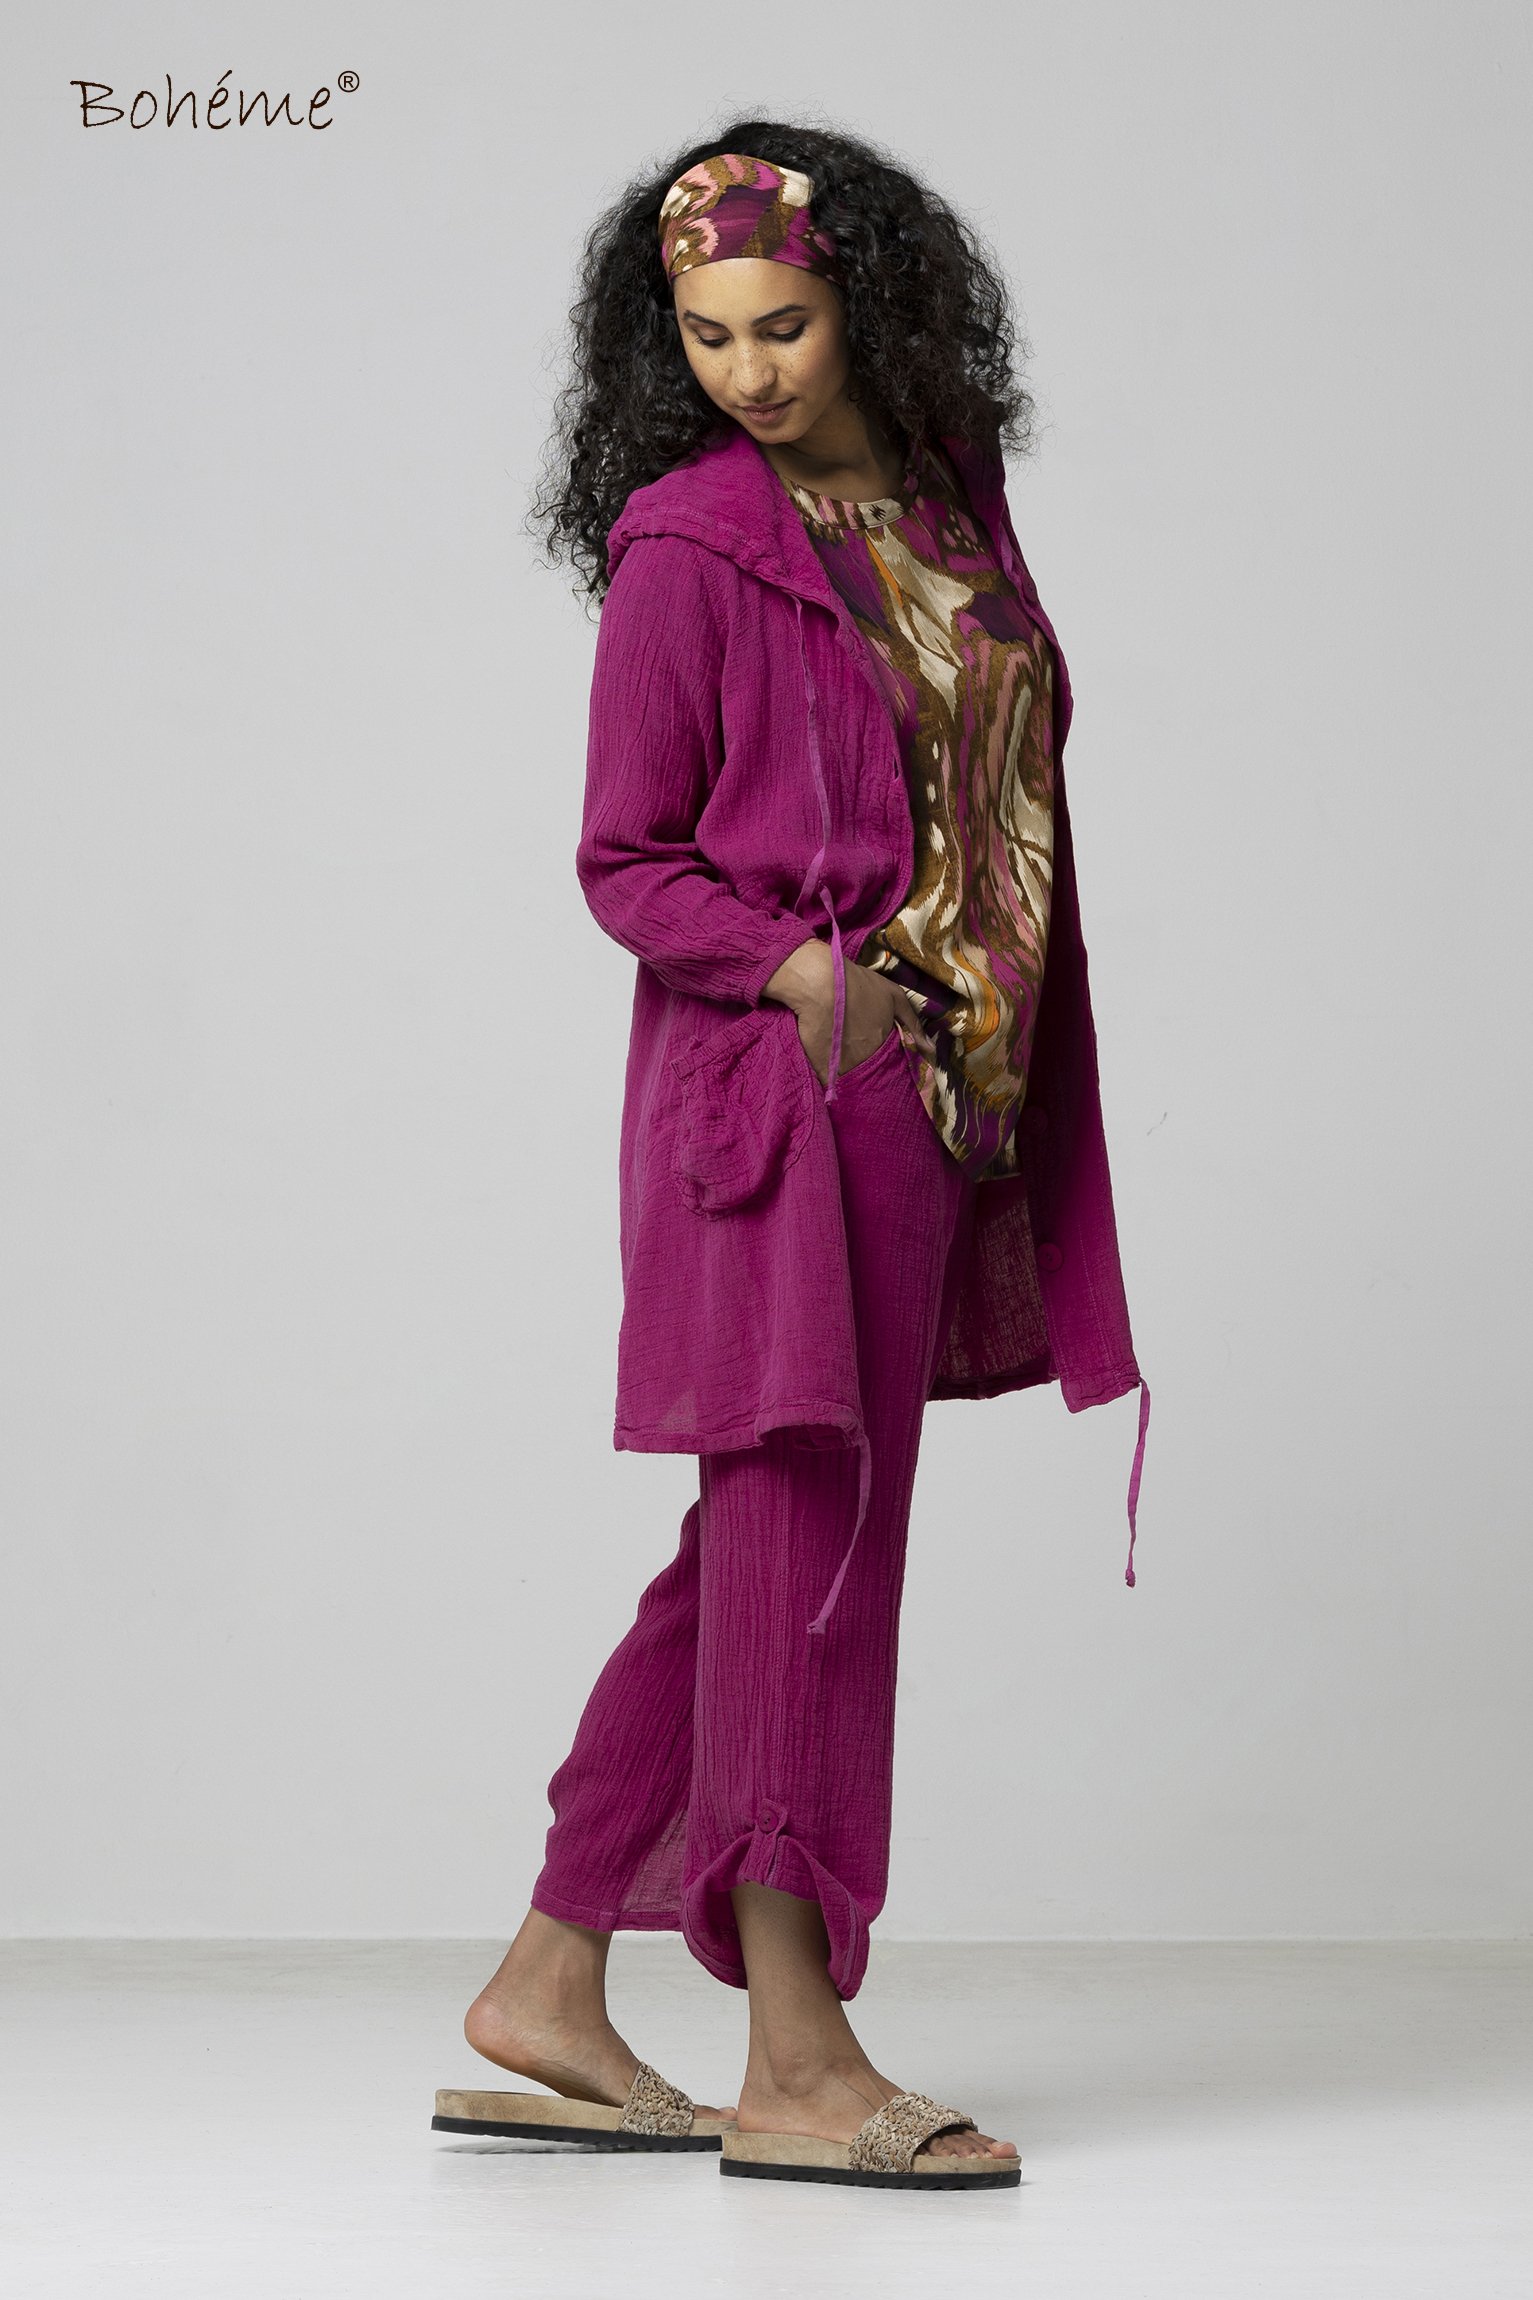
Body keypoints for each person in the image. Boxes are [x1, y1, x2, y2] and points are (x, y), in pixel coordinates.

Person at [434, 124, 1146, 2193]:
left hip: (936, 1096)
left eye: (784, 324)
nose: (745, 370)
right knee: (813, 1549)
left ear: (869, 308)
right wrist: (799, 971)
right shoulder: (688, 543)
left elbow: (998, 775)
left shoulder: (944, 495)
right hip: (782, 1102)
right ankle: (797, 2054)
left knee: (765, 1537)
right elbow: (625, 859)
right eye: (705, 333)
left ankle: (548, 1980)